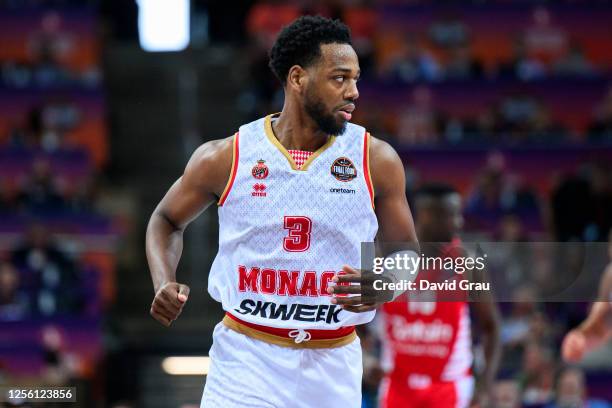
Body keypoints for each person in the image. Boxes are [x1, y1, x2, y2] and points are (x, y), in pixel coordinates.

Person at [145, 16, 418, 408]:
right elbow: (165, 220)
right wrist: (163, 280)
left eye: (356, 79)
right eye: (339, 78)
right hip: (245, 358)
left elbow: (406, 250)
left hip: (333, 362)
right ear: (297, 78)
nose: (354, 91)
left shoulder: (377, 159)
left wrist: (389, 281)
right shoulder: (227, 156)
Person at [378, 184, 501, 408]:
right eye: (452, 215)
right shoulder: (387, 256)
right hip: (397, 387)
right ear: (426, 216)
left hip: (451, 387)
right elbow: (352, 308)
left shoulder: (468, 261)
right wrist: (366, 356)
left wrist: (483, 388)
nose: (459, 222)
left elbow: (492, 327)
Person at [562, 230, 612, 362]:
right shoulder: (609, 275)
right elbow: (597, 318)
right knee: (573, 356)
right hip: (608, 339)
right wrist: (579, 334)